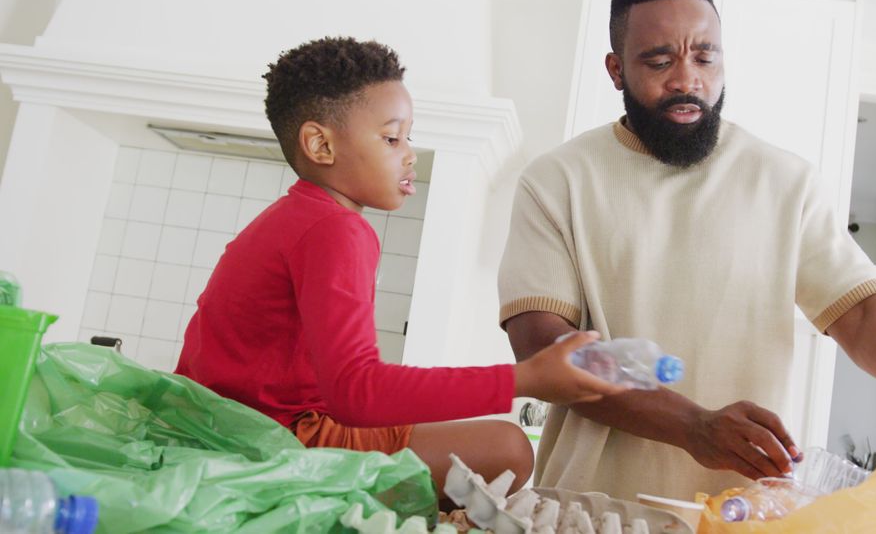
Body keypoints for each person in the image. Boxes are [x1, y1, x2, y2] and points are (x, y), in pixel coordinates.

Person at [497, 0, 876, 501]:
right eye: (659, 61)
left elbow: (864, 312)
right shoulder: (558, 181)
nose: (687, 80)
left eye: (705, 57)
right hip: (587, 510)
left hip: (743, 511)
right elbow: (544, 349)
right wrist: (693, 427)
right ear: (616, 70)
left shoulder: (784, 181)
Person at [175, 36, 624, 497]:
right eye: (391, 137)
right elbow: (356, 391)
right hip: (277, 442)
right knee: (508, 448)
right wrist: (528, 378)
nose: (409, 152)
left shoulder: (290, 219)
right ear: (320, 144)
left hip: (225, 431)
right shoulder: (335, 229)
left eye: (407, 136)